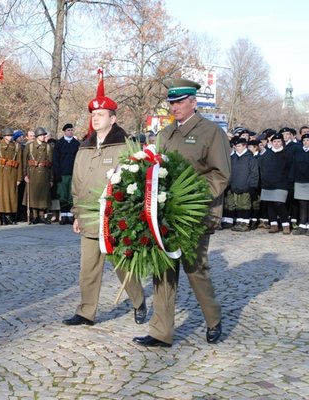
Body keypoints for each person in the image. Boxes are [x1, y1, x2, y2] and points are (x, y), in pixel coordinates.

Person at [134, 78, 230, 347]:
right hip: (165, 213)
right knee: (163, 269)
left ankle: (213, 319)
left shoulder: (211, 132)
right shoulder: (165, 134)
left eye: (179, 102)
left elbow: (220, 175)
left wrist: (193, 199)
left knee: (195, 268)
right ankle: (160, 331)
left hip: (195, 214)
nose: (174, 107)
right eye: (171, 103)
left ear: (193, 102)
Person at [63, 92, 146, 327]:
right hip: (89, 216)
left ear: (113, 118)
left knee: (121, 265)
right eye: (93, 114)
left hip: (115, 218)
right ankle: (86, 312)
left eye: (100, 114)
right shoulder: (84, 148)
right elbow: (77, 183)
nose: (95, 118)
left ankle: (138, 300)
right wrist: (77, 214)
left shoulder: (125, 146)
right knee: (88, 267)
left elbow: (135, 182)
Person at [258, 132, 293, 234]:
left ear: (282, 142)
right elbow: (262, 168)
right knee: (270, 204)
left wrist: (289, 182)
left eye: (279, 141)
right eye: (275, 141)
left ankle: (285, 224)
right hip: (267, 183)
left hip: (281, 183)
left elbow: (290, 169)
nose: (277, 143)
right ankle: (274, 224)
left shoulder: (287, 154)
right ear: (271, 142)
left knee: (279, 204)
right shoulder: (267, 154)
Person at [22, 127, 53, 224]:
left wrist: (51, 178)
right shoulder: (29, 146)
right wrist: (25, 175)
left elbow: (51, 164)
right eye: (42, 135)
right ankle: (34, 216)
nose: (44, 136)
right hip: (32, 173)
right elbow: (24, 162)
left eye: (44, 135)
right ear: (37, 136)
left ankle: (42, 216)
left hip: (44, 174)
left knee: (43, 196)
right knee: (33, 195)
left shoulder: (48, 147)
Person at [52, 123, 80, 225]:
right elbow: (55, 160)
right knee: (63, 195)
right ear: (64, 131)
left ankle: (70, 215)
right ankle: (63, 215)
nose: (70, 132)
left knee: (71, 195)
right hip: (62, 173)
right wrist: (57, 174)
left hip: (72, 173)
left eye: (72, 130)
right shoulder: (59, 143)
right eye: (68, 130)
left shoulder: (76, 144)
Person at [0, 127, 23, 225]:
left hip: (12, 173)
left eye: (11, 135)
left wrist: (19, 177)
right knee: (2, 195)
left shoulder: (17, 146)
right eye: (8, 135)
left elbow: (19, 163)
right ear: (4, 136)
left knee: (12, 195)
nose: (10, 137)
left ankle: (10, 216)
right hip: (1, 173)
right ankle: (2, 216)